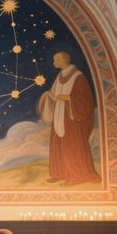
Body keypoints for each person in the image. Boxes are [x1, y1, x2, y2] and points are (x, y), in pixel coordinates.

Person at [37, 51, 101, 185]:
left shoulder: (78, 77)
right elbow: (55, 96)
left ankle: (77, 176)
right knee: (58, 144)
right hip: (59, 115)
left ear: (65, 60)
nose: (54, 62)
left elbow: (85, 100)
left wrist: (67, 98)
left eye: (57, 59)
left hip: (71, 117)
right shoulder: (59, 77)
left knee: (72, 145)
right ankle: (59, 173)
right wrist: (48, 96)